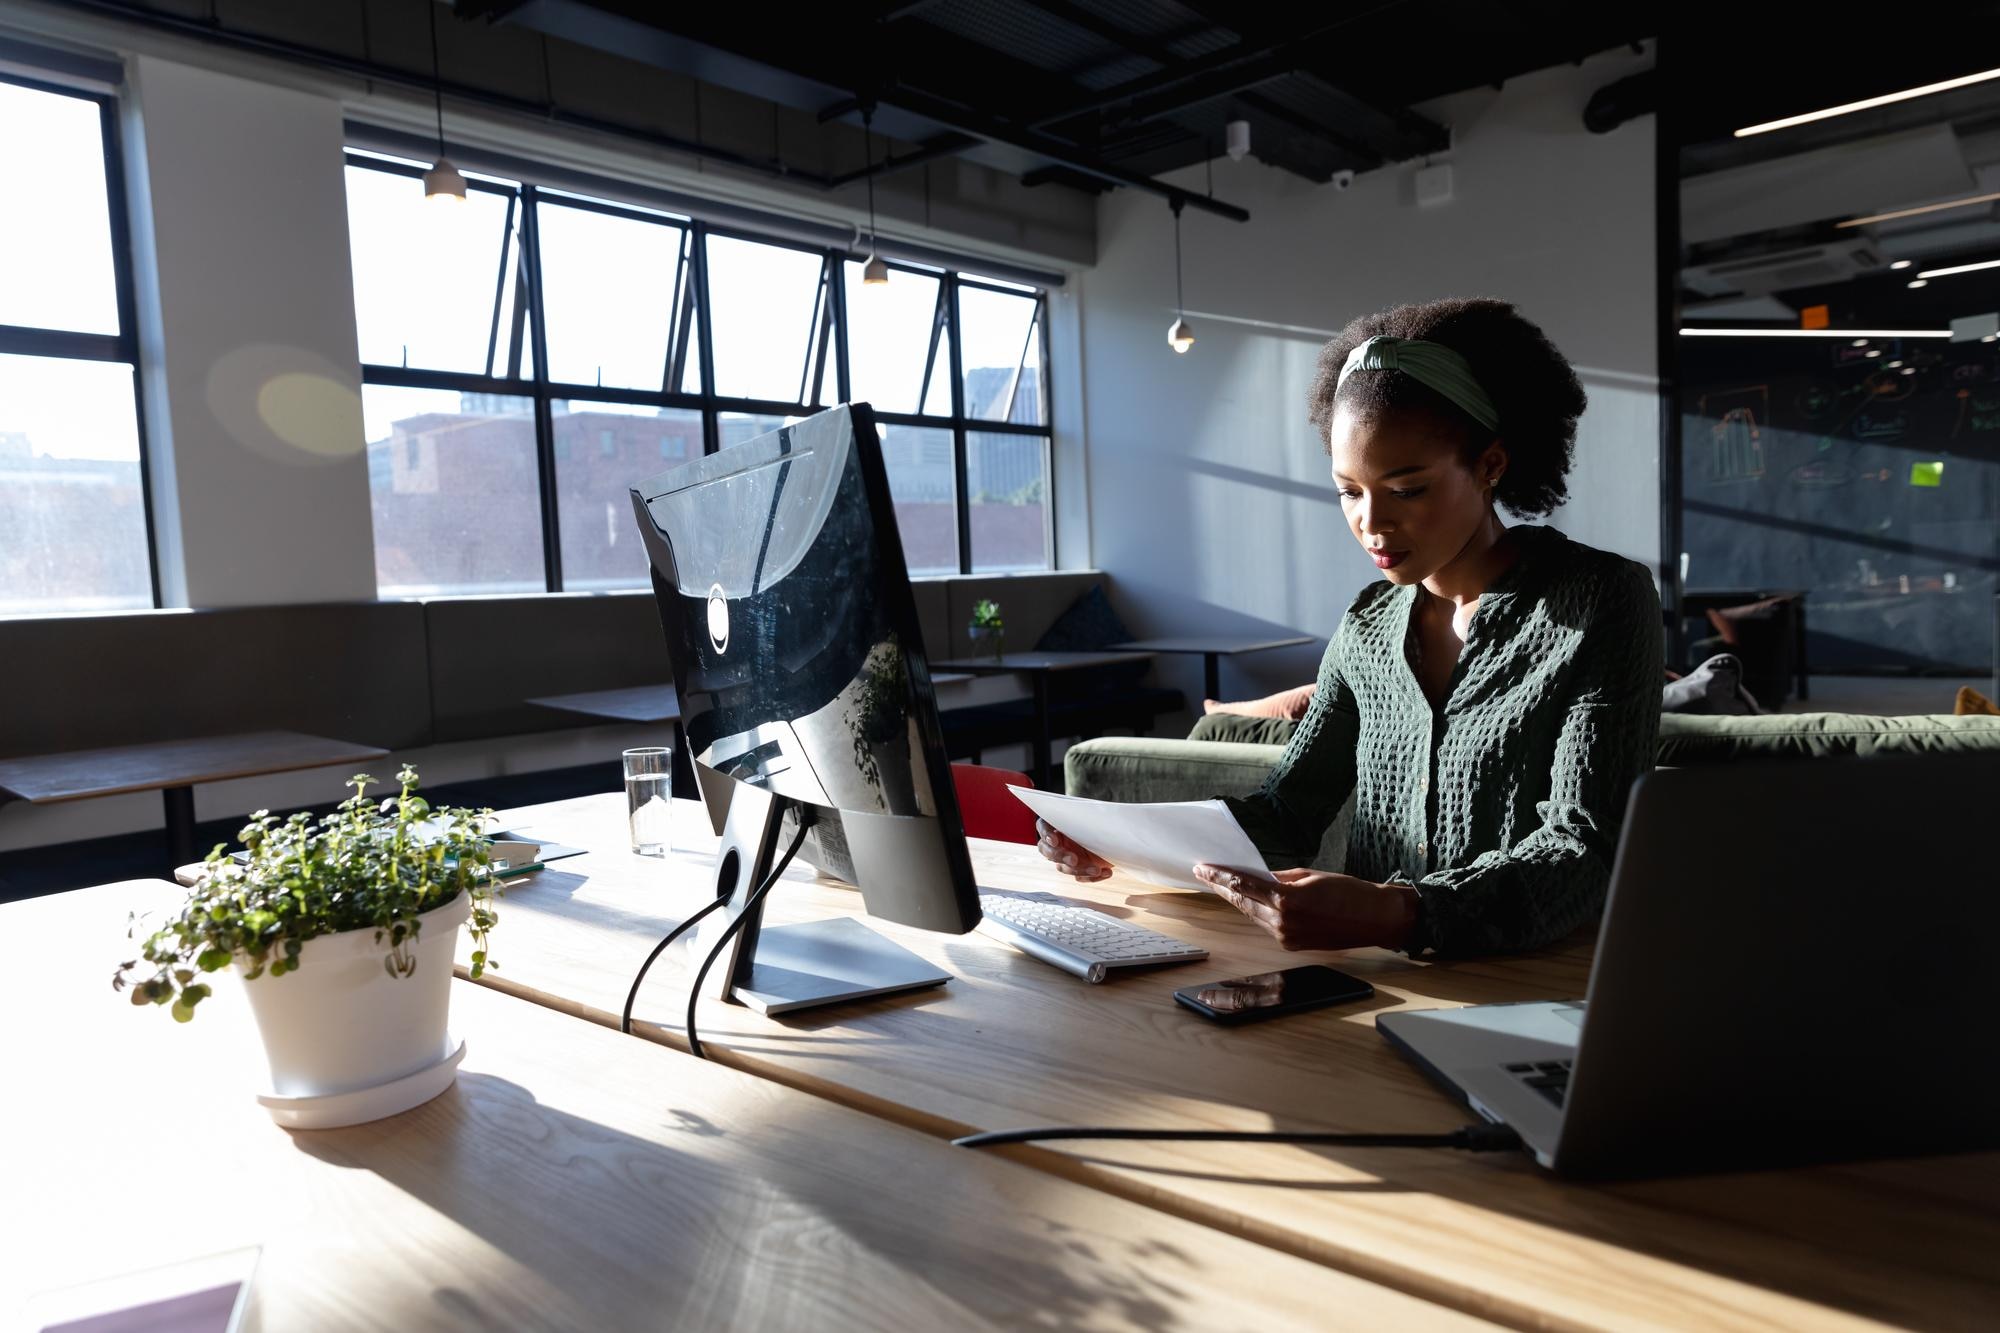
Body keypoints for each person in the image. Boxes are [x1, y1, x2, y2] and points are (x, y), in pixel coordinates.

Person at [1037, 298, 1662, 956]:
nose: (1371, 522)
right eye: (1349, 489)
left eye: (1407, 488)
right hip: (1371, 992)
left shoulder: (1601, 602)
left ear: (1490, 465)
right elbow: (1289, 811)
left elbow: (1585, 847)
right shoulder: (1366, 626)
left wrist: (1401, 913)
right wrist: (1115, 837)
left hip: (1539, 991)